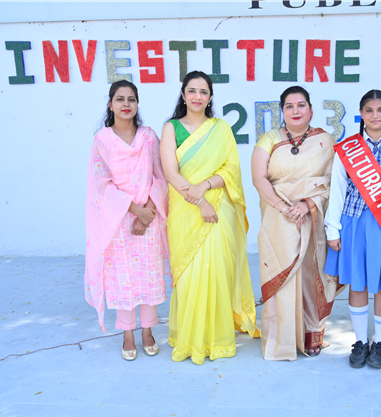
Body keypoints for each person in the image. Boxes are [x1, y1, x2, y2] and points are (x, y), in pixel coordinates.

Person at [160, 71, 259, 365]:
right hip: (186, 209)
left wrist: (204, 186)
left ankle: (217, 339)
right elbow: (170, 173)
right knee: (189, 275)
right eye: (192, 91)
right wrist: (199, 200)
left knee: (218, 272)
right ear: (183, 94)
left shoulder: (221, 128)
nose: (197, 96)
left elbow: (231, 169)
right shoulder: (171, 128)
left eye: (203, 92)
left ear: (210, 97)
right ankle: (189, 338)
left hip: (218, 207)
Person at [324, 90, 381, 369]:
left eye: (380, 110)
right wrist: (332, 229)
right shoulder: (348, 148)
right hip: (353, 223)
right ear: (361, 114)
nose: (375, 115)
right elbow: (337, 189)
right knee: (358, 283)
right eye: (368, 110)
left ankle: (380, 344)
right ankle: (360, 342)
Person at [251, 86, 343, 361]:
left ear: (310, 110)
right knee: (281, 271)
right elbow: (259, 178)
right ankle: (281, 338)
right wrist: (284, 207)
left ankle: (312, 332)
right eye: (289, 106)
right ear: (282, 111)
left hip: (311, 214)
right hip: (277, 216)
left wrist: (306, 204)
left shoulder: (325, 141)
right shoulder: (269, 138)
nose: (295, 111)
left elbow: (332, 182)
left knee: (309, 273)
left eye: (301, 105)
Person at [85, 80, 170, 361]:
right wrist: (135, 210)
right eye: (120, 99)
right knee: (122, 278)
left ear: (137, 104)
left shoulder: (148, 137)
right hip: (117, 221)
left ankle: (147, 331)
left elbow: (161, 177)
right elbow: (102, 184)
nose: (126, 104)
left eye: (131, 99)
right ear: (110, 105)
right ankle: (127, 334)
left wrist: (147, 214)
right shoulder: (102, 140)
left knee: (148, 275)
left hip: (150, 218)